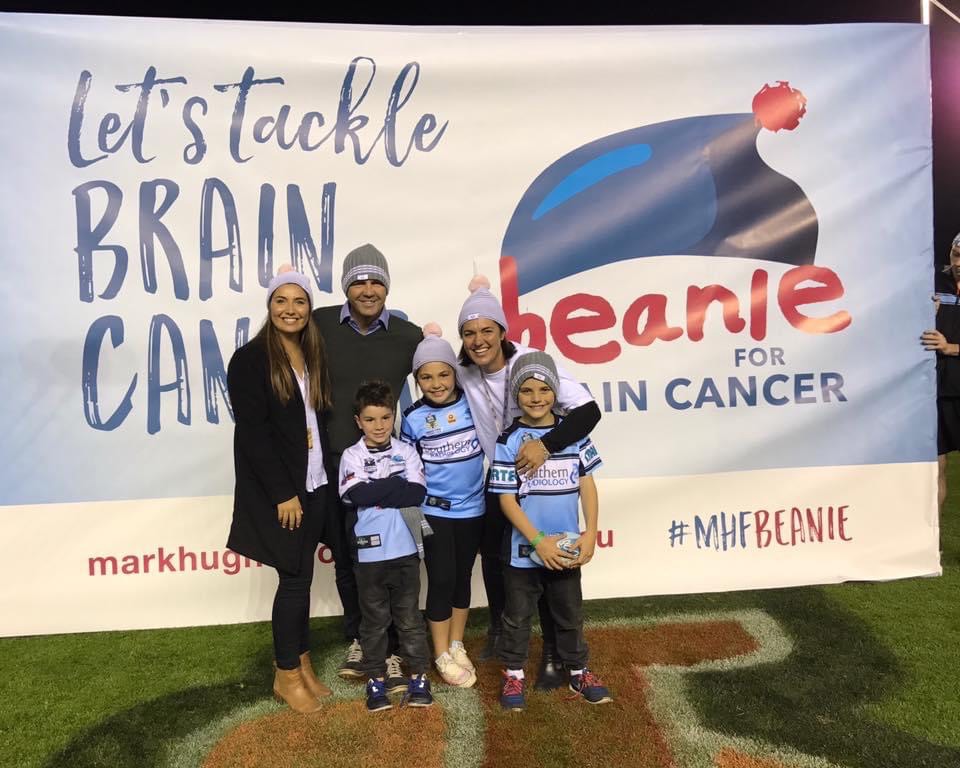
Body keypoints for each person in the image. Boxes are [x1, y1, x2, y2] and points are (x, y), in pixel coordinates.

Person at [456, 275, 602, 689]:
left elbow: (588, 411)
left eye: (487, 331)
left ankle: (556, 654)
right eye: (469, 333)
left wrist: (547, 445)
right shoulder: (463, 370)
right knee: (498, 556)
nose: (479, 340)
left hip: (543, 471)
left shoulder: (531, 362)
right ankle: (505, 636)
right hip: (502, 471)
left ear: (503, 332)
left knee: (550, 564)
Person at [225, 266, 334, 714]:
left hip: (315, 482)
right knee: (292, 579)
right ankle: (285, 674)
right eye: (281, 301)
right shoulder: (250, 359)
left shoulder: (312, 355)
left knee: (302, 578)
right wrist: (281, 493)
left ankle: (303, 663)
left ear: (309, 309)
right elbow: (253, 435)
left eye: (300, 301)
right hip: (284, 491)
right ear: (269, 307)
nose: (291, 310)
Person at [312, 244, 423, 679]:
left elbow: (445, 378)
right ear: (345, 286)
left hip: (390, 468)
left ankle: (396, 645)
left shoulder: (408, 335)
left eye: (376, 280)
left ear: (387, 286)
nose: (368, 288)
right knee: (348, 557)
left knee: (399, 558)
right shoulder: (319, 323)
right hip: (337, 464)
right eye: (358, 280)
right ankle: (362, 639)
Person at [488, 351, 612, 710]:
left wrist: (590, 534)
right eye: (526, 391)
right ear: (516, 396)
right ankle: (514, 675)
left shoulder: (572, 436)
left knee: (569, 613)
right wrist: (538, 541)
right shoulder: (509, 440)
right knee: (517, 617)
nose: (536, 397)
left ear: (556, 392)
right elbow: (507, 501)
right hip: (524, 551)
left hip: (568, 548)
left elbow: (587, 486)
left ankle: (578, 671)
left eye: (544, 389)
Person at [338, 380, 433, 712]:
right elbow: (356, 496)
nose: (379, 426)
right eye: (370, 419)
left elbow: (416, 494)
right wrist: (394, 484)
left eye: (385, 418)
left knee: (409, 619)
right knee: (374, 622)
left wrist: (379, 488)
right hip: (370, 556)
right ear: (358, 421)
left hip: (405, 552)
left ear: (394, 416)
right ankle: (376, 680)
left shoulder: (406, 451)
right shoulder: (352, 455)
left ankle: (420, 678)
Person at [400, 325, 485, 688]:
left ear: (455, 373)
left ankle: (456, 643)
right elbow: (408, 471)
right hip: (434, 512)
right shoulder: (413, 418)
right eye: (426, 377)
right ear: (417, 381)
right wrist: (413, 516)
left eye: (443, 374)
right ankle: (440, 654)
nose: (436, 383)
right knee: (441, 579)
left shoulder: (473, 404)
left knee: (463, 577)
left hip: (474, 510)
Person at [922, 232, 960, 511]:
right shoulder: (933, 282)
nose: (959, 262)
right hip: (940, 389)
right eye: (957, 254)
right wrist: (923, 313)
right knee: (937, 466)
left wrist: (950, 347)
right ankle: (932, 541)